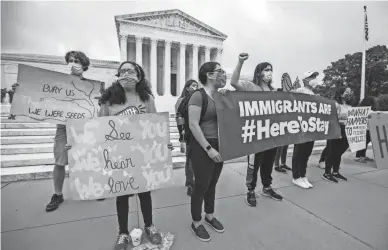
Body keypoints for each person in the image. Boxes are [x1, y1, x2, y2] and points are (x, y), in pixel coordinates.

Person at [99, 61, 172, 249]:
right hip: (119, 156)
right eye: (122, 71)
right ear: (118, 75)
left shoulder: (146, 98)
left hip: (142, 154)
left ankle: (149, 226)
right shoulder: (109, 100)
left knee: (144, 192)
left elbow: (156, 125)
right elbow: (98, 129)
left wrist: (164, 143)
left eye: (130, 71)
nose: (126, 74)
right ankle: (123, 233)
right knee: (122, 195)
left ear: (139, 76)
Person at [230, 53, 283, 207]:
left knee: (268, 162)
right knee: (254, 163)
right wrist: (240, 62)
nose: (269, 73)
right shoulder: (250, 87)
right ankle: (251, 190)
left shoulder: (273, 90)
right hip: (256, 134)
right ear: (259, 72)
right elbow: (233, 82)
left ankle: (267, 187)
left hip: (272, 133)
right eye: (266, 70)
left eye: (271, 70)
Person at [45, 51, 94, 212]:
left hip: (83, 127)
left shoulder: (91, 86)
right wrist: (22, 89)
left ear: (84, 65)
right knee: (59, 160)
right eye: (71, 61)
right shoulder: (60, 83)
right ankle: (57, 194)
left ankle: (91, 188)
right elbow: (43, 98)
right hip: (63, 126)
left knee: (87, 159)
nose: (73, 64)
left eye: (77, 61)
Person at [189, 62, 226, 242]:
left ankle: (209, 215)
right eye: (219, 71)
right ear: (209, 75)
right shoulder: (198, 95)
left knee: (212, 183)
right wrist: (209, 149)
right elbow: (193, 124)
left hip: (220, 144)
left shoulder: (220, 96)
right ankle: (196, 222)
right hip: (202, 145)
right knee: (201, 185)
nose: (222, 74)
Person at [291, 71, 319, 189]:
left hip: (311, 127)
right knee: (299, 152)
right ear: (305, 79)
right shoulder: (300, 90)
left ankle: (303, 175)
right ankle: (296, 177)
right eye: (311, 77)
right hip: (301, 126)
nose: (314, 79)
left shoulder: (313, 92)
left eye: (314, 77)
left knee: (307, 152)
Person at [323, 88, 354, 183]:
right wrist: (341, 117)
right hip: (336, 128)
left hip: (346, 130)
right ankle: (327, 172)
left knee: (339, 150)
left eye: (350, 92)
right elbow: (330, 116)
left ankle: (335, 172)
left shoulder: (350, 105)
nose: (349, 93)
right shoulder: (336, 104)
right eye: (347, 92)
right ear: (341, 93)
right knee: (332, 151)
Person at [175, 79, 199, 196]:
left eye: (196, 85)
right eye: (193, 85)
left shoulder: (197, 99)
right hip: (187, 132)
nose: (195, 87)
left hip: (197, 131)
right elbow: (179, 117)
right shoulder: (181, 100)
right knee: (190, 159)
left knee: (191, 158)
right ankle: (190, 183)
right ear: (187, 87)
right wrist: (181, 134)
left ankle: (188, 180)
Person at [354, 96, 377, 163]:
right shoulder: (371, 111)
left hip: (362, 129)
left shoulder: (361, 110)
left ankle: (361, 156)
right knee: (364, 143)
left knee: (363, 143)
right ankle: (358, 157)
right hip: (367, 129)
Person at [274, 88, 291, 173]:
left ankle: (283, 163)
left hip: (286, 127)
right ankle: (276, 165)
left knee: (285, 147)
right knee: (279, 148)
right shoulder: (276, 104)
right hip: (279, 128)